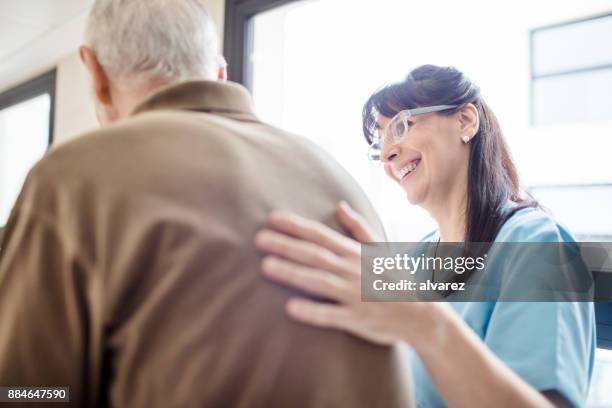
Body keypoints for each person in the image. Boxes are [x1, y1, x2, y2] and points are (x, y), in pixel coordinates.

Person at [0, 1, 414, 407]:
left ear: (95, 74)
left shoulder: (73, 178)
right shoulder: (339, 179)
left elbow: (27, 393)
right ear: (219, 73)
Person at [255, 65, 595, 407]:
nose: (387, 155)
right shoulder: (411, 261)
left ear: (465, 121)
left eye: (401, 126)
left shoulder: (535, 244)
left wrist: (425, 324)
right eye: (380, 145)